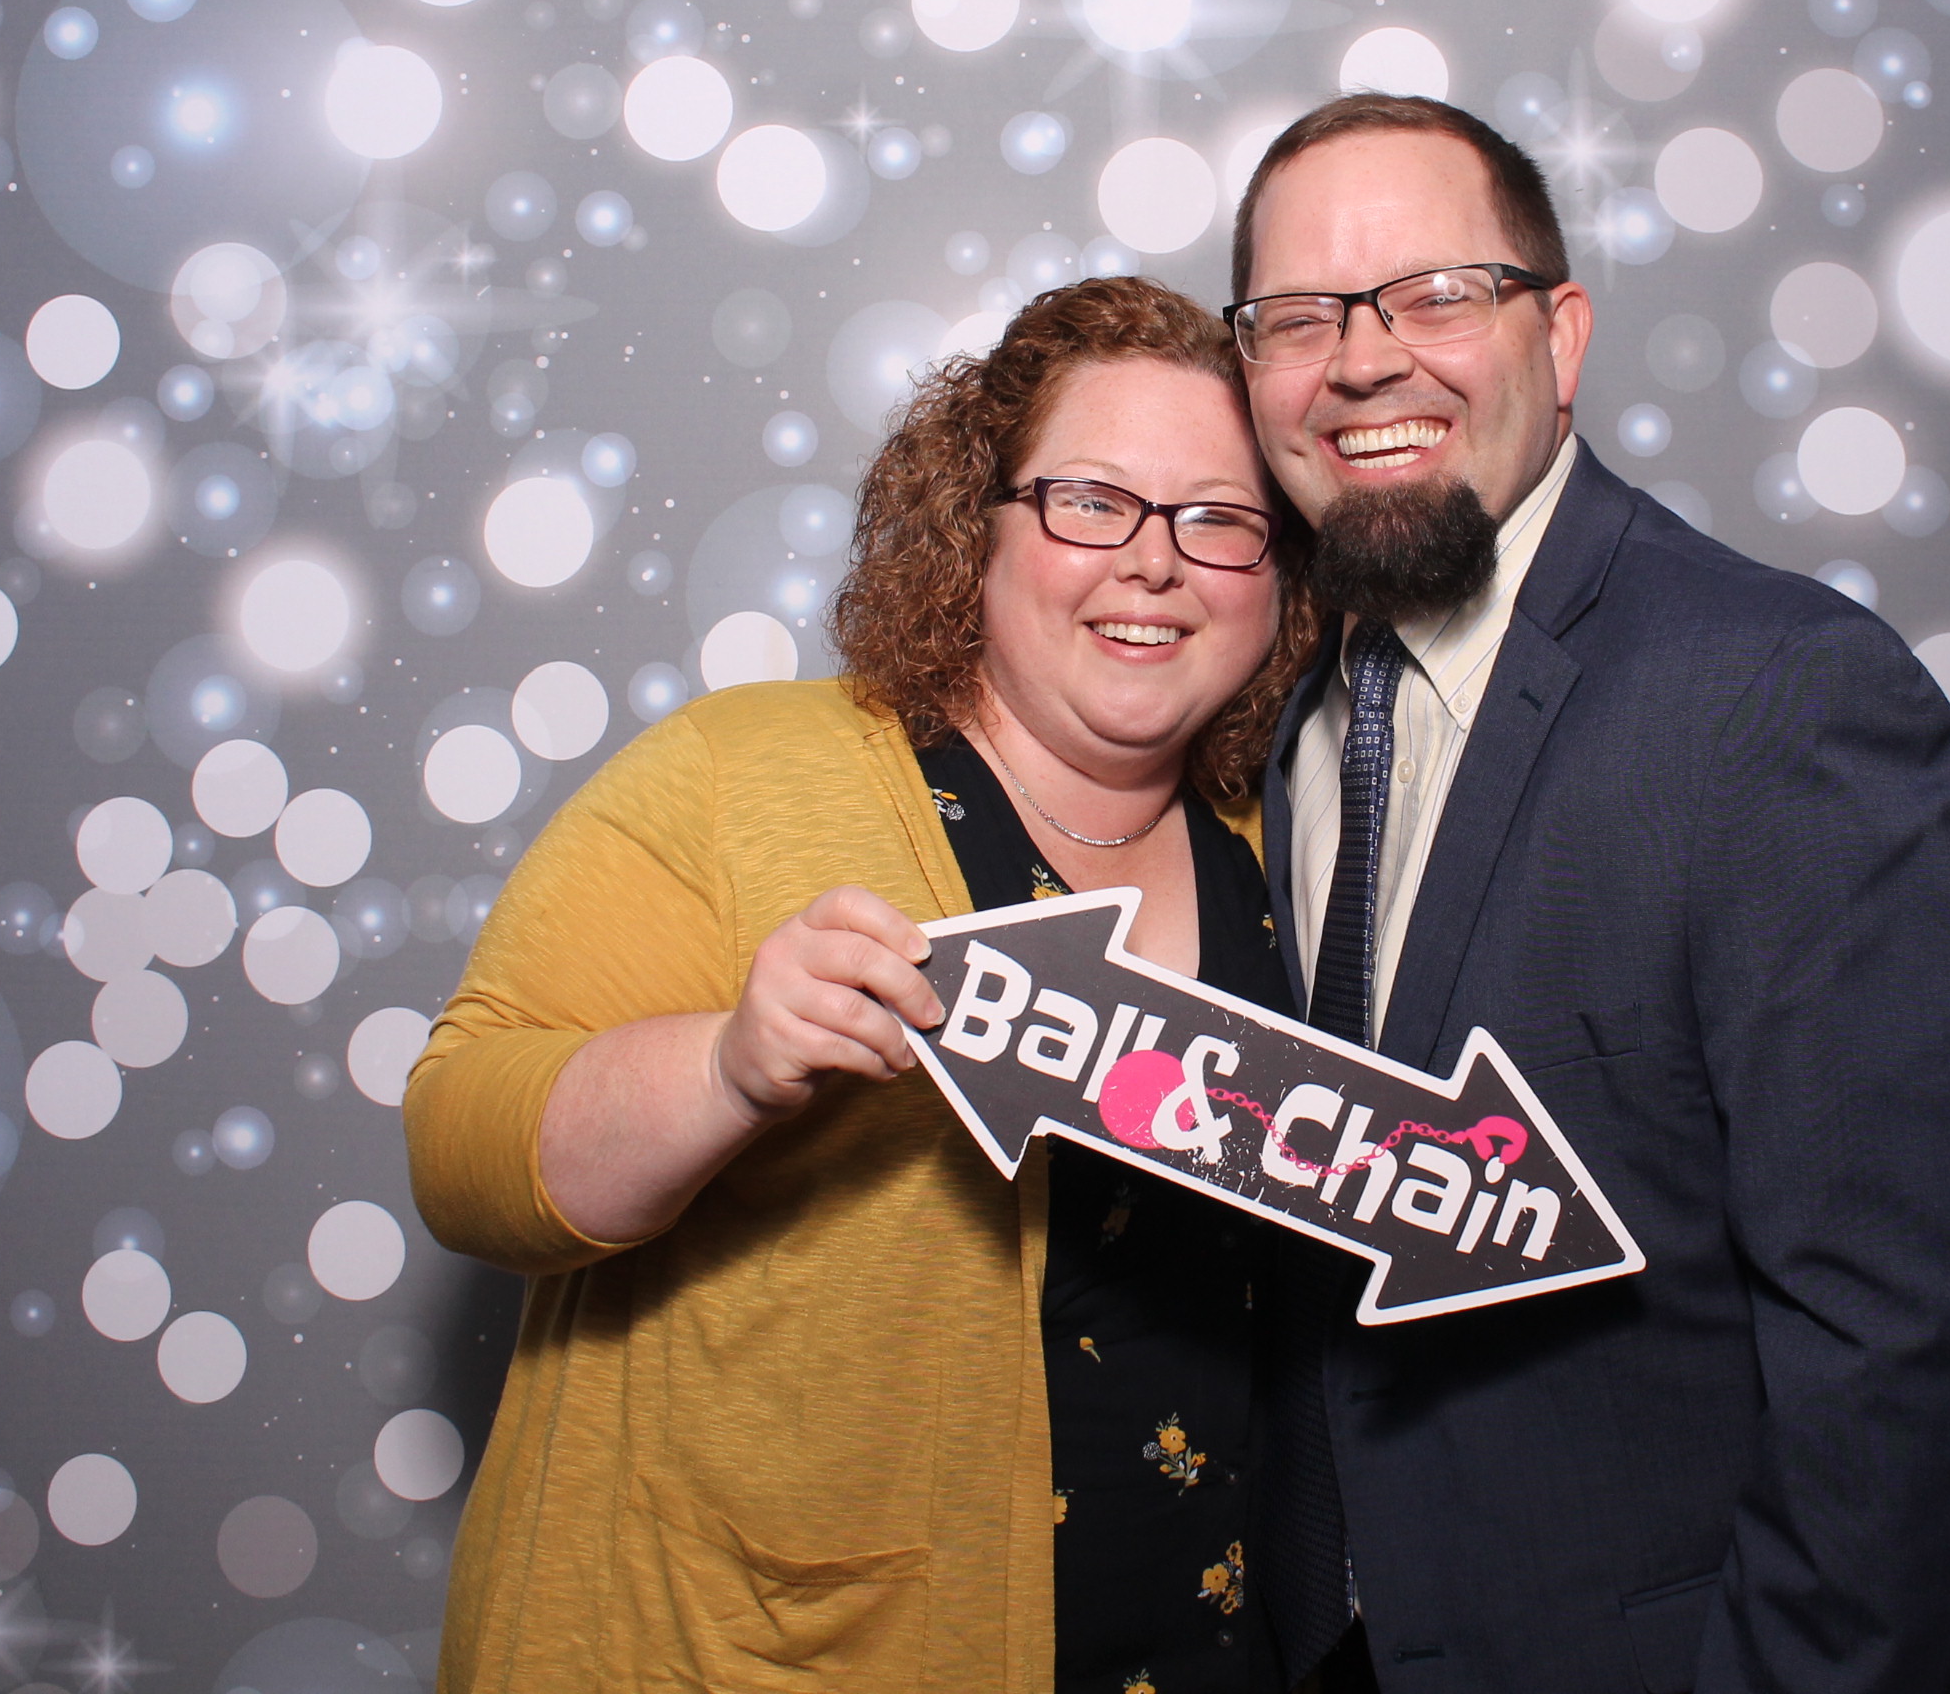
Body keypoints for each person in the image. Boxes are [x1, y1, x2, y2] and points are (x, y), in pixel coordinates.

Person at [1226, 96, 1950, 1694]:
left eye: (1435, 295)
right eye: (1297, 318)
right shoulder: (1310, 718)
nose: (1361, 362)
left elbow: (1908, 1363)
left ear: (1562, 335)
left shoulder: (1780, 699)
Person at [406, 277, 1321, 1692]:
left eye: (1220, 519)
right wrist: (726, 1067)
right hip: (776, 1653)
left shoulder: (1300, 851)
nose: (1156, 563)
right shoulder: (739, 776)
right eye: (1091, 501)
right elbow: (463, 1148)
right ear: (979, 526)